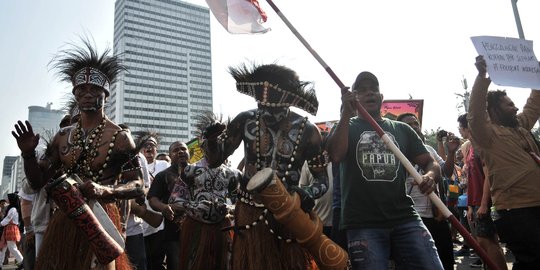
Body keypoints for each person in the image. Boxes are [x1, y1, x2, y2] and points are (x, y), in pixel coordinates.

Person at [11, 39, 144, 270]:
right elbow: (37, 182)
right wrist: (29, 155)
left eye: (94, 89)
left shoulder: (120, 137)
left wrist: (106, 190)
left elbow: (138, 185)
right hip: (64, 220)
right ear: (75, 94)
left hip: (101, 221)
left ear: (106, 93)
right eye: (81, 89)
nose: (87, 94)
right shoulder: (63, 136)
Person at [326, 71, 444, 269]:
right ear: (353, 97)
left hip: (405, 218)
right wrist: (346, 113)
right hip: (363, 222)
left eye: (374, 89)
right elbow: (336, 155)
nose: (369, 93)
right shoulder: (345, 127)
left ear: (381, 97)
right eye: (362, 90)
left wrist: (430, 176)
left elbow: (431, 163)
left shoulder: (402, 129)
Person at [217, 63, 329, 269]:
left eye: (270, 107)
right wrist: (212, 140)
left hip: (291, 216)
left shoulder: (309, 131)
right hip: (250, 211)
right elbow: (216, 158)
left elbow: (322, 180)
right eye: (260, 104)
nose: (264, 109)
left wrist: (306, 193)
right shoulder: (245, 120)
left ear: (288, 99)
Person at [468, 55, 540, 269]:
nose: (516, 108)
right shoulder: (486, 135)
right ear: (493, 110)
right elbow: (475, 114)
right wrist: (482, 78)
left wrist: (537, 77)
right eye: (510, 105)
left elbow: (534, 104)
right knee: (532, 260)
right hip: (515, 210)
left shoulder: (521, 127)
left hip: (537, 203)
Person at [169, 111, 242, 269]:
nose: (214, 149)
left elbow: (242, 203)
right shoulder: (190, 171)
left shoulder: (233, 174)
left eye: (218, 144)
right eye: (211, 144)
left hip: (222, 228)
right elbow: (174, 201)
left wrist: (229, 209)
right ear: (202, 147)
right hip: (196, 228)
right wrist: (194, 207)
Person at [397, 113, 458, 270]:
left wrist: (451, 152)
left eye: (416, 123)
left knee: (445, 261)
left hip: (436, 215)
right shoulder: (395, 151)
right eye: (409, 125)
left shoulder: (428, 149)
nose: (415, 127)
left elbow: (446, 172)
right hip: (410, 217)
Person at [457, 113, 508, 269]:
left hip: (485, 202)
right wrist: (472, 205)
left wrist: (484, 204)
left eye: (460, 128)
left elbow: (488, 175)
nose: (459, 131)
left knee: (488, 241)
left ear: (467, 128)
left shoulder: (479, 146)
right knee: (482, 241)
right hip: (476, 202)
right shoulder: (471, 147)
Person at [147, 141, 190, 270]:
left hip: (198, 229)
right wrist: (164, 207)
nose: (181, 151)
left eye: (183, 149)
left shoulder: (199, 172)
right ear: (170, 155)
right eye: (176, 150)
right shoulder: (162, 176)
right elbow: (152, 199)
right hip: (173, 232)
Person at [134, 131, 169, 270]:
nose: (149, 148)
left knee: (157, 261)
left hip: (158, 223)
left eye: (152, 145)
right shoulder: (135, 164)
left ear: (157, 149)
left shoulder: (163, 165)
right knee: (141, 261)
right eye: (145, 145)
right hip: (138, 222)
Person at [0, 193, 24, 270]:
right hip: (9, 229)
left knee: (11, 247)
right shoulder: (13, 208)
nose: (6, 199)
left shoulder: (12, 209)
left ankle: (22, 262)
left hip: (11, 229)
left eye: (8, 198)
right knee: (3, 247)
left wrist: (1, 224)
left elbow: (7, 219)